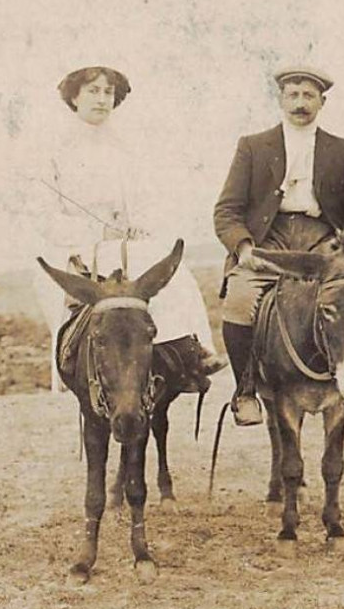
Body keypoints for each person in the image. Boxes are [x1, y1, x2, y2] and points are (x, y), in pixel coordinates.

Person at [213, 66, 344, 427]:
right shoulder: (253, 146)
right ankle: (246, 391)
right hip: (269, 242)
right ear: (281, 99)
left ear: (322, 101)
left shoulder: (340, 149)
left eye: (308, 96)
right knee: (239, 301)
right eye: (293, 95)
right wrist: (244, 250)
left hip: (324, 243)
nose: (300, 103)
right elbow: (226, 210)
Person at [34, 65, 226, 388]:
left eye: (108, 92)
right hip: (75, 245)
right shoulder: (53, 149)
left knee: (175, 273)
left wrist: (138, 225)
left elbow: (146, 201)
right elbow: (44, 216)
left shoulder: (124, 148)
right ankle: (75, 364)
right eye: (93, 91)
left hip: (125, 243)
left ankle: (189, 354)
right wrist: (96, 232)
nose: (101, 99)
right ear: (74, 97)